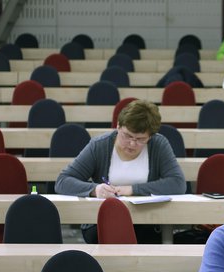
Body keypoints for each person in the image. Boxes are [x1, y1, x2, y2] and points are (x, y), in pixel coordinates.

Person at [55, 99, 186, 245]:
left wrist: (131, 190)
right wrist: (94, 189)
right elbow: (63, 181)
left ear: (150, 137)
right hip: (102, 223)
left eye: (140, 139)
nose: (132, 144)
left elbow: (178, 183)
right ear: (118, 126)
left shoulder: (158, 144)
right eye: (127, 136)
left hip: (146, 223)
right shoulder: (100, 145)